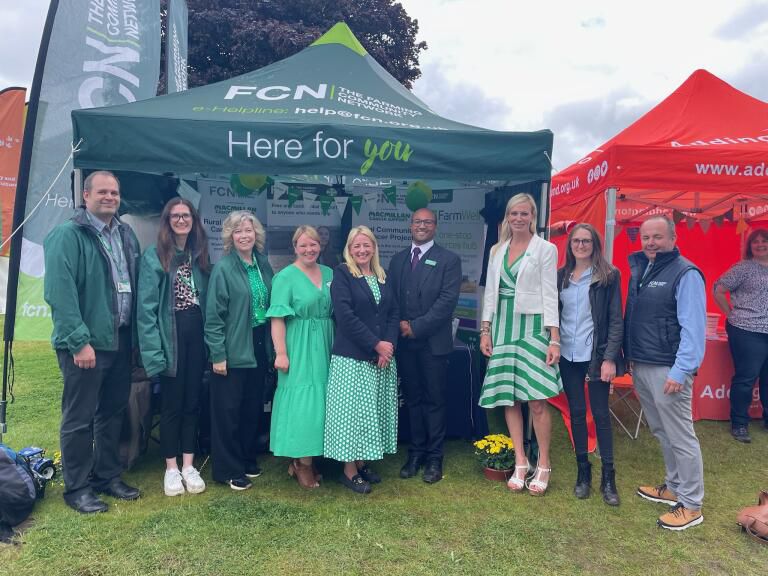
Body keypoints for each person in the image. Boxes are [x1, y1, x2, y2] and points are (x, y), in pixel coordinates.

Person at [43, 171, 141, 514]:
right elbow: (60, 293)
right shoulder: (67, 236)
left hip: (120, 339)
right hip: (86, 344)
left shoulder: (126, 234)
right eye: (102, 192)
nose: (110, 197)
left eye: (114, 192)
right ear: (86, 195)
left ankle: (107, 476)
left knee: (112, 413)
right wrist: (78, 341)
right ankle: (77, 488)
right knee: (79, 418)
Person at [478, 193, 562, 496]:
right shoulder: (497, 250)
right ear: (507, 217)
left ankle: (544, 464)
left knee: (537, 401)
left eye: (524, 214)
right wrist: (485, 330)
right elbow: (491, 294)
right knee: (509, 398)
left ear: (533, 216)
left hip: (533, 329)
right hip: (502, 329)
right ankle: (521, 461)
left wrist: (554, 338)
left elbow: (551, 294)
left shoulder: (546, 249)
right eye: (513, 213)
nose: (518, 219)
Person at [627, 215, 706, 530]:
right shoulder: (644, 268)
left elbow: (693, 329)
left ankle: (691, 504)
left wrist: (681, 370)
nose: (650, 243)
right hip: (643, 364)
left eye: (657, 237)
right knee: (661, 431)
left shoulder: (685, 273)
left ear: (673, 237)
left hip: (668, 369)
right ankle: (673, 486)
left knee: (681, 436)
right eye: (646, 237)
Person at [137, 198, 210, 496]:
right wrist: (155, 355)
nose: (181, 220)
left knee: (192, 401)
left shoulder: (200, 255)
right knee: (171, 405)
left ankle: (189, 464)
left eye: (186, 215)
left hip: (197, 333)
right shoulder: (155, 257)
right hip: (171, 334)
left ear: (194, 220)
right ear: (166, 221)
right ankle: (170, 468)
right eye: (175, 216)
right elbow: (146, 310)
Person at [388, 208, 461, 484]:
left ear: (435, 227)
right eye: (418, 221)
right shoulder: (396, 261)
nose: (422, 226)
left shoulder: (449, 260)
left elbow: (446, 303)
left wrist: (414, 327)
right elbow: (391, 300)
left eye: (427, 222)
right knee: (413, 399)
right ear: (410, 226)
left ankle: (434, 458)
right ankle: (415, 453)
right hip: (405, 346)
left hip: (433, 344)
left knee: (434, 400)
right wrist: (398, 328)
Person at [324, 226, 399, 494]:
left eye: (366, 245)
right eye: (357, 246)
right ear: (349, 249)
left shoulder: (382, 275)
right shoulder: (343, 273)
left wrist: (388, 347)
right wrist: (376, 345)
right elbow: (345, 317)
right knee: (352, 416)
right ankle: (349, 471)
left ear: (374, 247)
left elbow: (392, 313)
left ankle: (362, 462)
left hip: (380, 360)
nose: (362, 250)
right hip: (353, 359)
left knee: (372, 413)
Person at [205, 210, 273, 491]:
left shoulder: (263, 264)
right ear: (230, 237)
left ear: (256, 234)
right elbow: (213, 316)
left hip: (258, 343)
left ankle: (246, 457)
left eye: (249, 230)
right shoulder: (224, 268)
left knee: (251, 407)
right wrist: (218, 354)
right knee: (227, 411)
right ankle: (227, 469)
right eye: (238, 231)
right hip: (232, 348)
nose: (245, 235)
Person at [557, 223, 623, 506]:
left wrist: (609, 358)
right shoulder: (561, 277)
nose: (581, 245)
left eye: (586, 241)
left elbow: (615, 320)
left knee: (600, 414)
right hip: (567, 355)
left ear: (595, 244)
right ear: (570, 245)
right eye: (576, 241)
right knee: (576, 413)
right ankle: (583, 471)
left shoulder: (608, 275)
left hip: (595, 354)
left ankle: (609, 477)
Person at [267, 225, 334, 489]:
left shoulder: (330, 273)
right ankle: (302, 463)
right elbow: (277, 319)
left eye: (313, 244)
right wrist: (281, 353)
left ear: (321, 246)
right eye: (303, 245)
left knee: (322, 402)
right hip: (299, 345)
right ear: (295, 247)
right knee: (303, 404)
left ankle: (314, 456)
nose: (309, 250)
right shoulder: (284, 277)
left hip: (327, 342)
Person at [713, 228, 768, 443]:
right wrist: (731, 313)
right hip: (747, 329)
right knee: (746, 377)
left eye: (765, 241)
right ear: (750, 246)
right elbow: (718, 288)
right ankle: (739, 423)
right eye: (756, 242)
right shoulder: (743, 268)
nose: (761, 244)